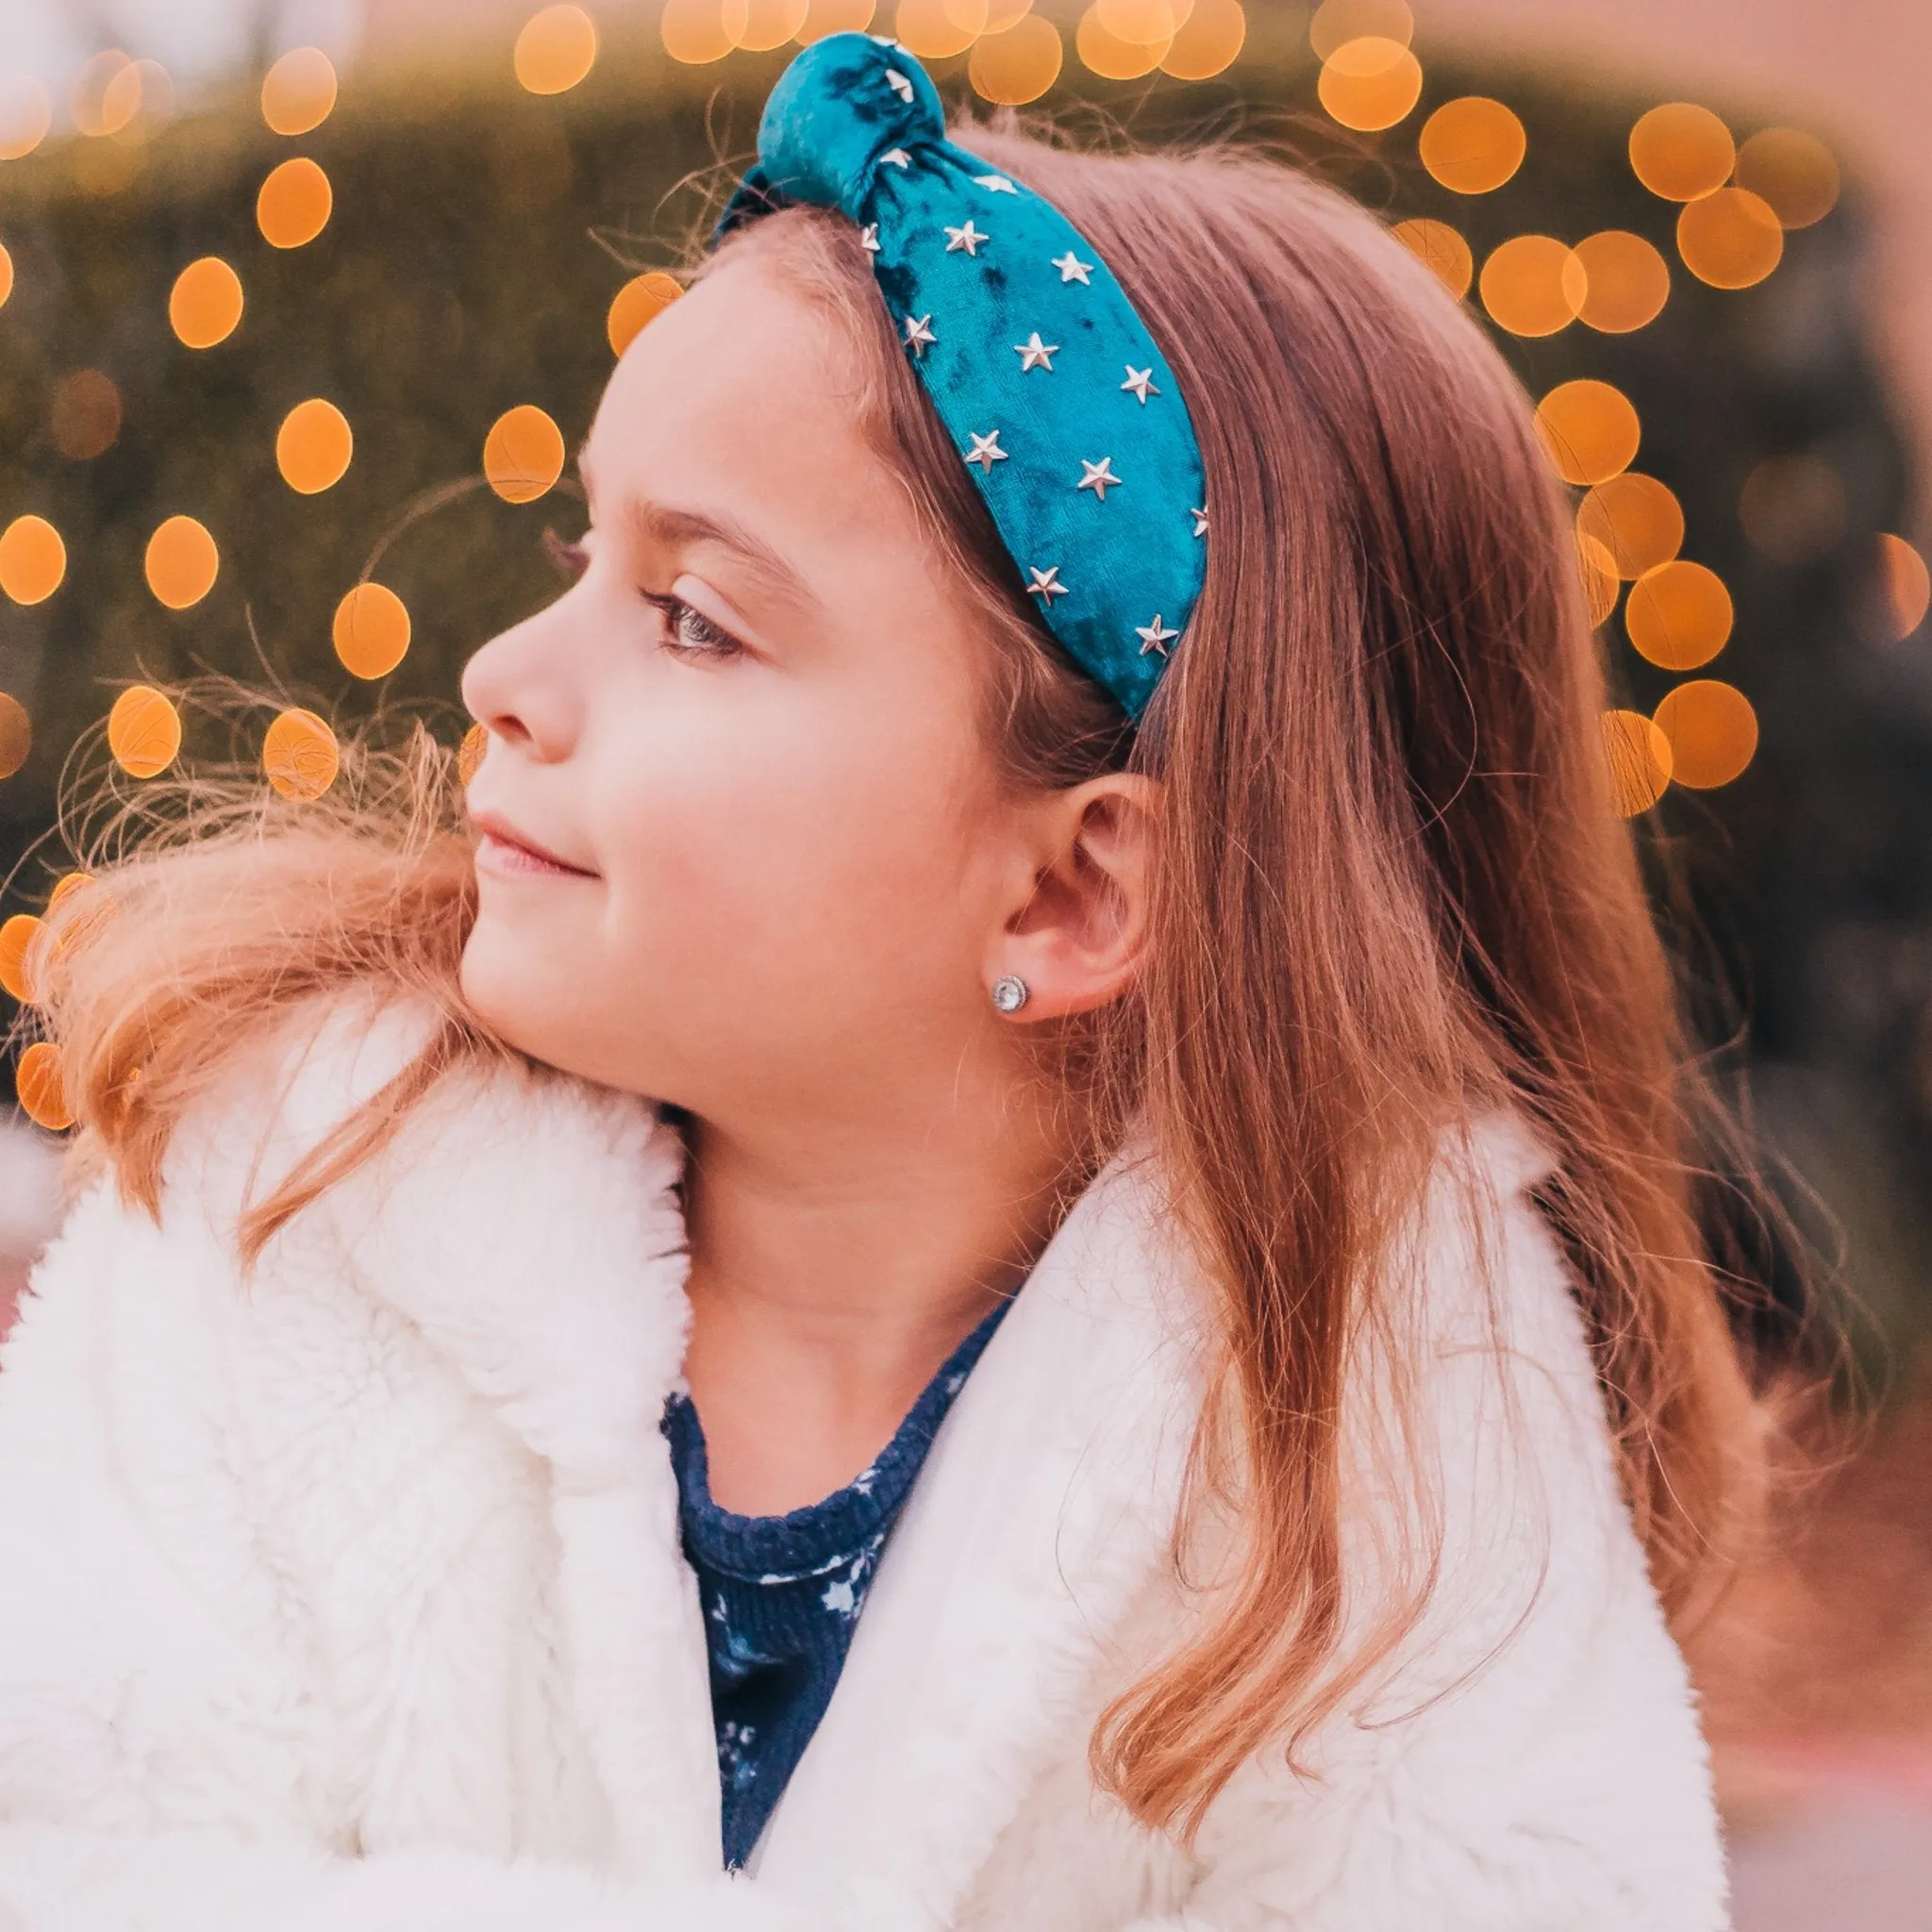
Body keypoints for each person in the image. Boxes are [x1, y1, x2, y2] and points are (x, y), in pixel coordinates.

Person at [0, 31, 1767, 1931]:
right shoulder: (284, 1205)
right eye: (577, 552)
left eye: (694, 617)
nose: (503, 668)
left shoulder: (1392, 1432)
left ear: (1071, 890)